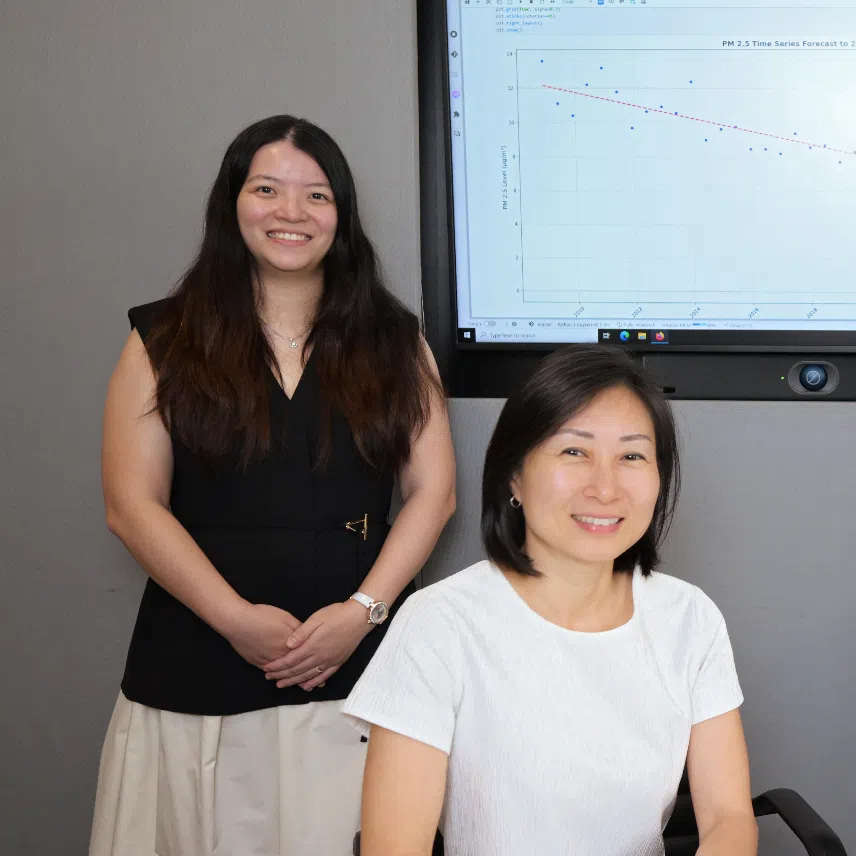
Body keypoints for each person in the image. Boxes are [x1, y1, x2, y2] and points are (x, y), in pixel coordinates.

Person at [89, 115, 456, 856]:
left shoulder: (393, 336)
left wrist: (362, 612)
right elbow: (132, 507)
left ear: (341, 217)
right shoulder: (163, 337)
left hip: (360, 667)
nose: (292, 213)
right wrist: (233, 619)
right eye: (268, 190)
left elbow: (434, 492)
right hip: (198, 666)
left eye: (316, 196)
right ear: (233, 204)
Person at [343, 345, 758, 856]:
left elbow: (729, 818)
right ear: (514, 476)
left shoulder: (689, 618)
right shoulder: (439, 625)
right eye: (573, 452)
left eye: (631, 456)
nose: (605, 489)